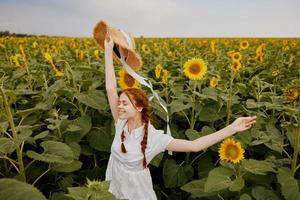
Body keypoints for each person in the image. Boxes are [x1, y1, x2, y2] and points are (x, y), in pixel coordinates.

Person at [103, 36, 257, 200]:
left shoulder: (154, 138)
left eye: (124, 104)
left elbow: (194, 146)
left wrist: (232, 128)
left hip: (135, 193)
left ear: (139, 107)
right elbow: (110, 88)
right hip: (113, 184)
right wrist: (108, 50)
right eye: (119, 103)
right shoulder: (120, 123)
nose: (119, 106)